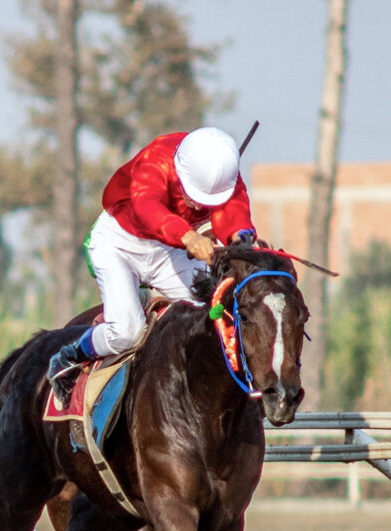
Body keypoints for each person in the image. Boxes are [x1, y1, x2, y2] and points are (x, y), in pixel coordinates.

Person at [47, 126, 258, 394]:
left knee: (215, 315)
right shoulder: (157, 158)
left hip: (168, 251)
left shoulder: (225, 177)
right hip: (119, 244)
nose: (196, 206)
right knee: (127, 332)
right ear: (180, 172)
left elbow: (235, 215)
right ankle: (70, 355)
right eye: (190, 195)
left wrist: (242, 239)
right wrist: (189, 237)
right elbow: (148, 208)